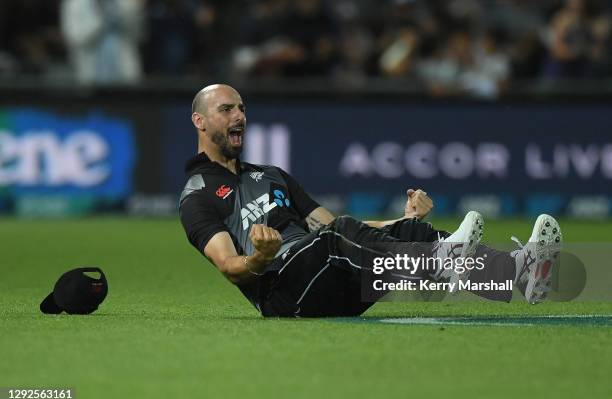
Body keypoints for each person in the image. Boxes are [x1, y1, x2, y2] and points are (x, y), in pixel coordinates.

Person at [179, 84, 562, 317]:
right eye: (227, 109)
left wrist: (401, 220)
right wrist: (260, 257)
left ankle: (518, 272)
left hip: (329, 276)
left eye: (242, 107)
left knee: (403, 229)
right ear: (200, 122)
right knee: (339, 236)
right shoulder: (197, 196)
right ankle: (438, 262)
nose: (240, 116)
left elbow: (337, 229)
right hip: (283, 293)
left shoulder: (272, 175)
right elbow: (229, 266)